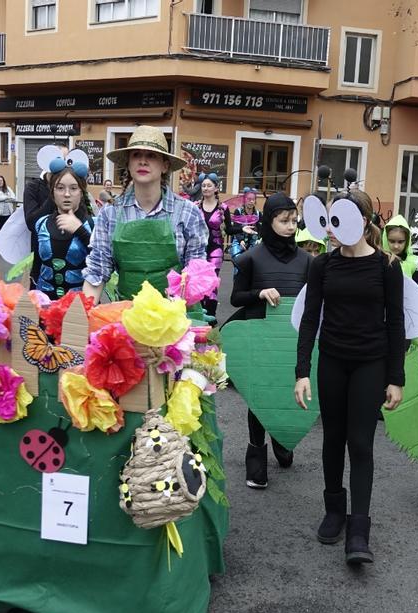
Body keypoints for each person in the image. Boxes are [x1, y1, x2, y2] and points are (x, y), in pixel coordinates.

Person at [293, 189, 406, 566]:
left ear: (363, 220)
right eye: (328, 219)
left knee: (360, 443)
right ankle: (334, 510)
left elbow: (396, 323)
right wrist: (302, 372)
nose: (330, 227)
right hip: (332, 361)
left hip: (370, 364)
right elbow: (310, 318)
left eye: (338, 218)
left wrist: (396, 377)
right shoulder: (322, 265)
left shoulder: (387, 266)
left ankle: (359, 529)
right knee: (332, 439)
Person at [230, 193, 308, 488]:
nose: (290, 226)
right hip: (259, 339)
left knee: (289, 390)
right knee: (259, 395)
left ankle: (282, 436)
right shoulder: (250, 258)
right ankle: (256, 454)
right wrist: (259, 294)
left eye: (294, 221)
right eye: (283, 220)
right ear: (269, 221)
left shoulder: (307, 261)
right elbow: (236, 297)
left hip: (292, 341)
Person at [82, 126, 208, 302]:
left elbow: (195, 273)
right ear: (128, 164)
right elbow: (97, 269)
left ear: (165, 166)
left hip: (176, 313)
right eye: (136, 155)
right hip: (126, 312)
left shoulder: (188, 213)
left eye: (151, 155)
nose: (142, 161)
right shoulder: (110, 213)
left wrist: (176, 306)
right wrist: (83, 311)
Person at [30, 165, 93, 298]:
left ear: (81, 192)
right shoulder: (41, 223)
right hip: (44, 302)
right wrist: (31, 299)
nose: (67, 194)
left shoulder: (93, 225)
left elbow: (102, 262)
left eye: (73, 188)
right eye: (60, 188)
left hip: (79, 304)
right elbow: (36, 265)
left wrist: (80, 231)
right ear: (52, 192)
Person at [195, 174, 228, 320]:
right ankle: (200, 313)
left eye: (209, 185)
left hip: (216, 250)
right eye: (203, 185)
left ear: (216, 188)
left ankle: (211, 315)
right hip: (199, 250)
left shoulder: (223, 208)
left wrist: (242, 229)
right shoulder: (195, 206)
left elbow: (229, 229)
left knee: (212, 282)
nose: (205, 188)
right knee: (199, 281)